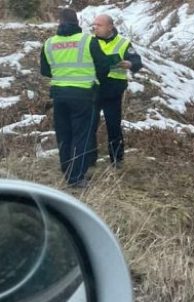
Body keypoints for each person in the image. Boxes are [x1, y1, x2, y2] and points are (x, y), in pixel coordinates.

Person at [40, 8, 111, 188]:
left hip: (59, 95)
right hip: (83, 95)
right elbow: (104, 66)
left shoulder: (49, 43)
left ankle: (66, 170)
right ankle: (76, 177)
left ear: (59, 22)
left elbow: (45, 70)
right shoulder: (88, 41)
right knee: (82, 136)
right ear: (77, 22)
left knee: (64, 134)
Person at [90, 14, 143, 169]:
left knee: (114, 126)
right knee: (90, 125)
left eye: (99, 25)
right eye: (94, 24)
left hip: (113, 90)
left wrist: (129, 63)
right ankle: (89, 159)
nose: (95, 27)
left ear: (110, 27)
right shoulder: (90, 41)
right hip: (94, 88)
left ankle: (117, 159)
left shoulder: (123, 43)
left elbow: (137, 61)